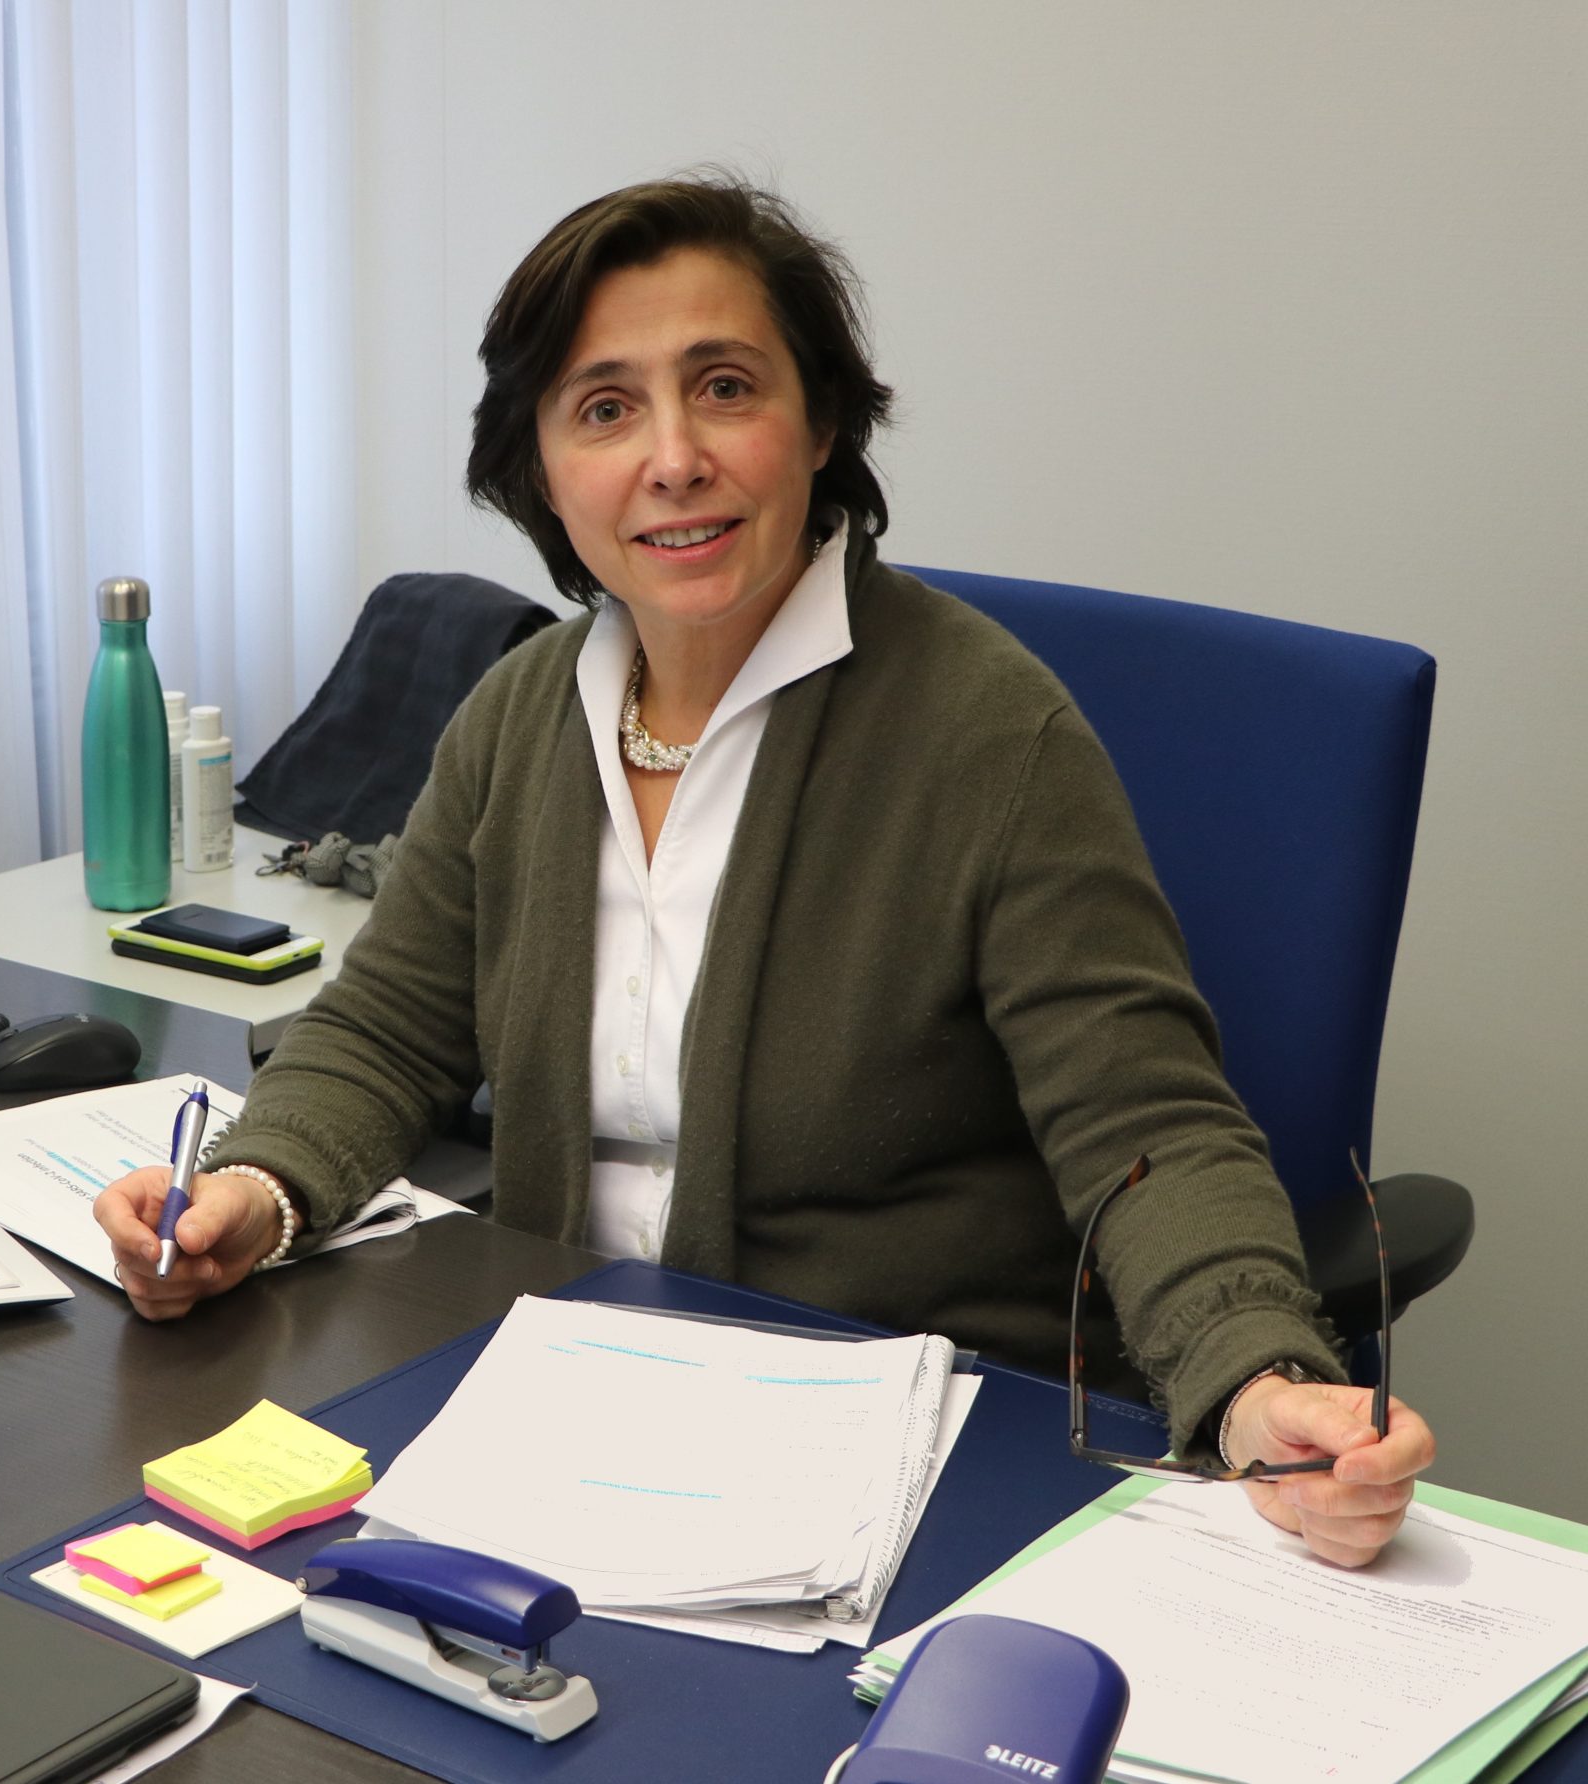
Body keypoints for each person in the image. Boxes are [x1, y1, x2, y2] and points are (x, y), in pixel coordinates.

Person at [92, 173, 1433, 1566]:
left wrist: (1256, 1379)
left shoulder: (989, 734)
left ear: (823, 420)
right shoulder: (519, 716)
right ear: (540, 468)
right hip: (560, 1408)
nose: (673, 459)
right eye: (605, 409)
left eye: (725, 388)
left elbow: (1144, 1127)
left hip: (893, 1449)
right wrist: (257, 1189)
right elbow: (387, 1027)